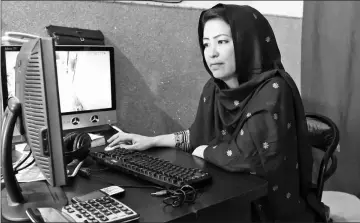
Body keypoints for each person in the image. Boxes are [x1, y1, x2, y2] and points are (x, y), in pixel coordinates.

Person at [107, 3, 328, 222]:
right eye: (206, 44)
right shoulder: (214, 89)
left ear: (246, 43)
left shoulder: (274, 89)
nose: (211, 53)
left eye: (222, 42)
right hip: (227, 194)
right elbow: (196, 138)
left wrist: (205, 152)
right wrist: (151, 141)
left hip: (267, 204)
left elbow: (249, 158)